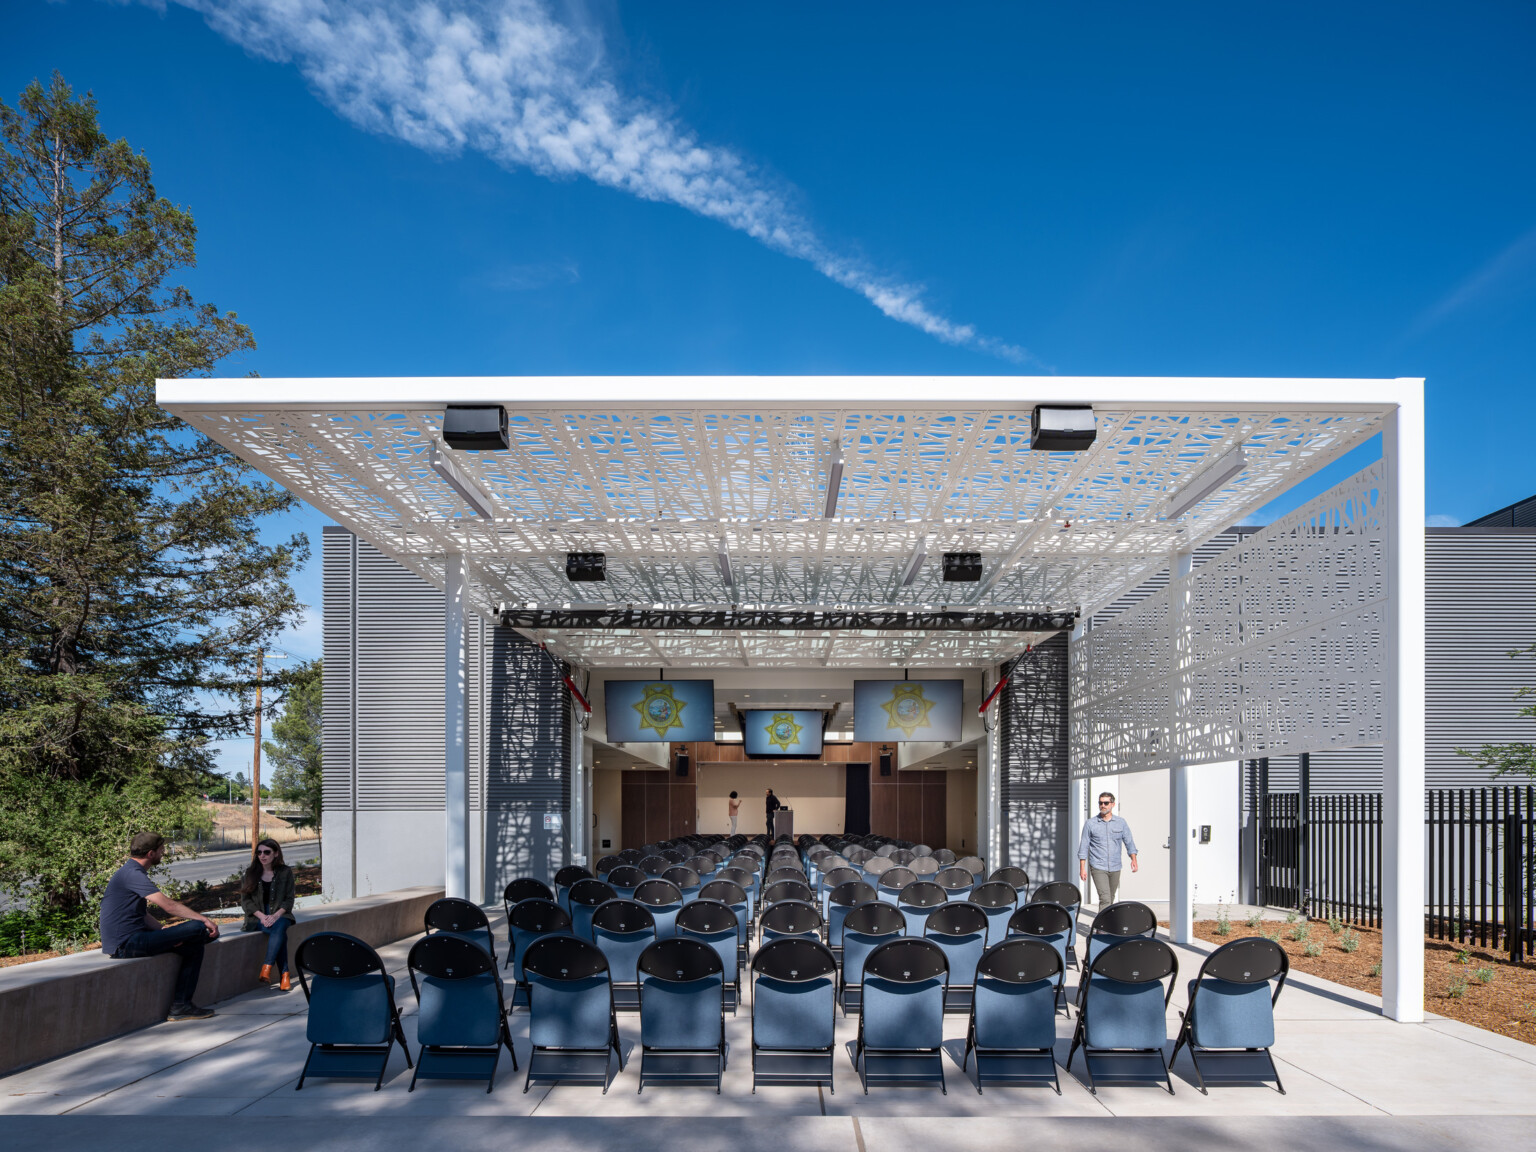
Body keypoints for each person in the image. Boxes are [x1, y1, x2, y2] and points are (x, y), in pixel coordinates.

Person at [99, 832, 221, 1021]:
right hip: (126, 945)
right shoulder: (132, 874)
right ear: (150, 854)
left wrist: (163, 932)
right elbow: (169, 906)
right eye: (161, 849)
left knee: (195, 944)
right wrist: (204, 919)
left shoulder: (131, 871)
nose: (164, 852)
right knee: (197, 928)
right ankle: (181, 1006)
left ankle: (181, 1007)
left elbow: (142, 914)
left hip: (135, 938)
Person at [241, 838, 297, 991]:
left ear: (276, 853)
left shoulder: (285, 872)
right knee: (280, 934)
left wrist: (275, 915)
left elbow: (289, 899)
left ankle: (267, 966)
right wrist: (263, 917)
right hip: (257, 916)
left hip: (281, 914)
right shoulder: (250, 873)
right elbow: (246, 902)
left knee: (279, 926)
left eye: (267, 852)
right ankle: (284, 974)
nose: (262, 855)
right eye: (259, 852)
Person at [1078, 792, 1139, 907]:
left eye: (1106, 803)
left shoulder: (1121, 822)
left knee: (1111, 898)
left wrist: (1134, 860)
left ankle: (1109, 923)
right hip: (1098, 866)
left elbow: (1129, 842)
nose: (1103, 805)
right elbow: (1084, 846)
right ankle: (1101, 925)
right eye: (1100, 803)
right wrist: (1082, 868)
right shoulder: (1090, 824)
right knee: (1105, 899)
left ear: (1113, 804)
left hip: (1116, 866)